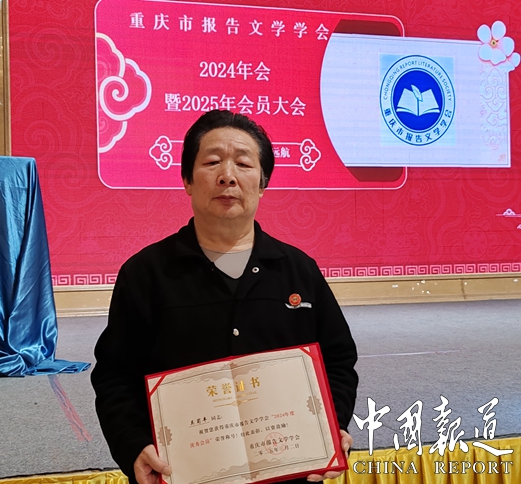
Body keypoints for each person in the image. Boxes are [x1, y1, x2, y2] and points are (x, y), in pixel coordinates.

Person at [91, 110, 358, 484]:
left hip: (288, 472)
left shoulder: (298, 270)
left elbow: (338, 361)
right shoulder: (146, 273)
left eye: (244, 164)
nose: (227, 176)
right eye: (212, 162)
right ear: (187, 179)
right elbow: (115, 376)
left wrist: (330, 426)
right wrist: (133, 445)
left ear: (262, 184)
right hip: (185, 474)